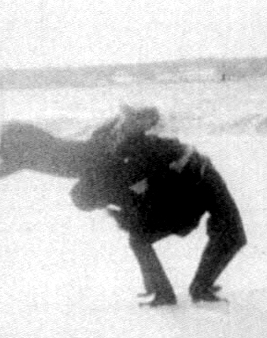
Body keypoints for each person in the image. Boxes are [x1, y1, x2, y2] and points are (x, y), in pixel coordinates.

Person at [71, 106, 246, 306]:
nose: (101, 206)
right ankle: (181, 287)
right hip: (189, 181)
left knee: (232, 236)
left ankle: (189, 288)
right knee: (140, 239)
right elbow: (152, 198)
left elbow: (152, 192)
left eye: (96, 204)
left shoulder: (118, 177)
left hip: (199, 176)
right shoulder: (114, 172)